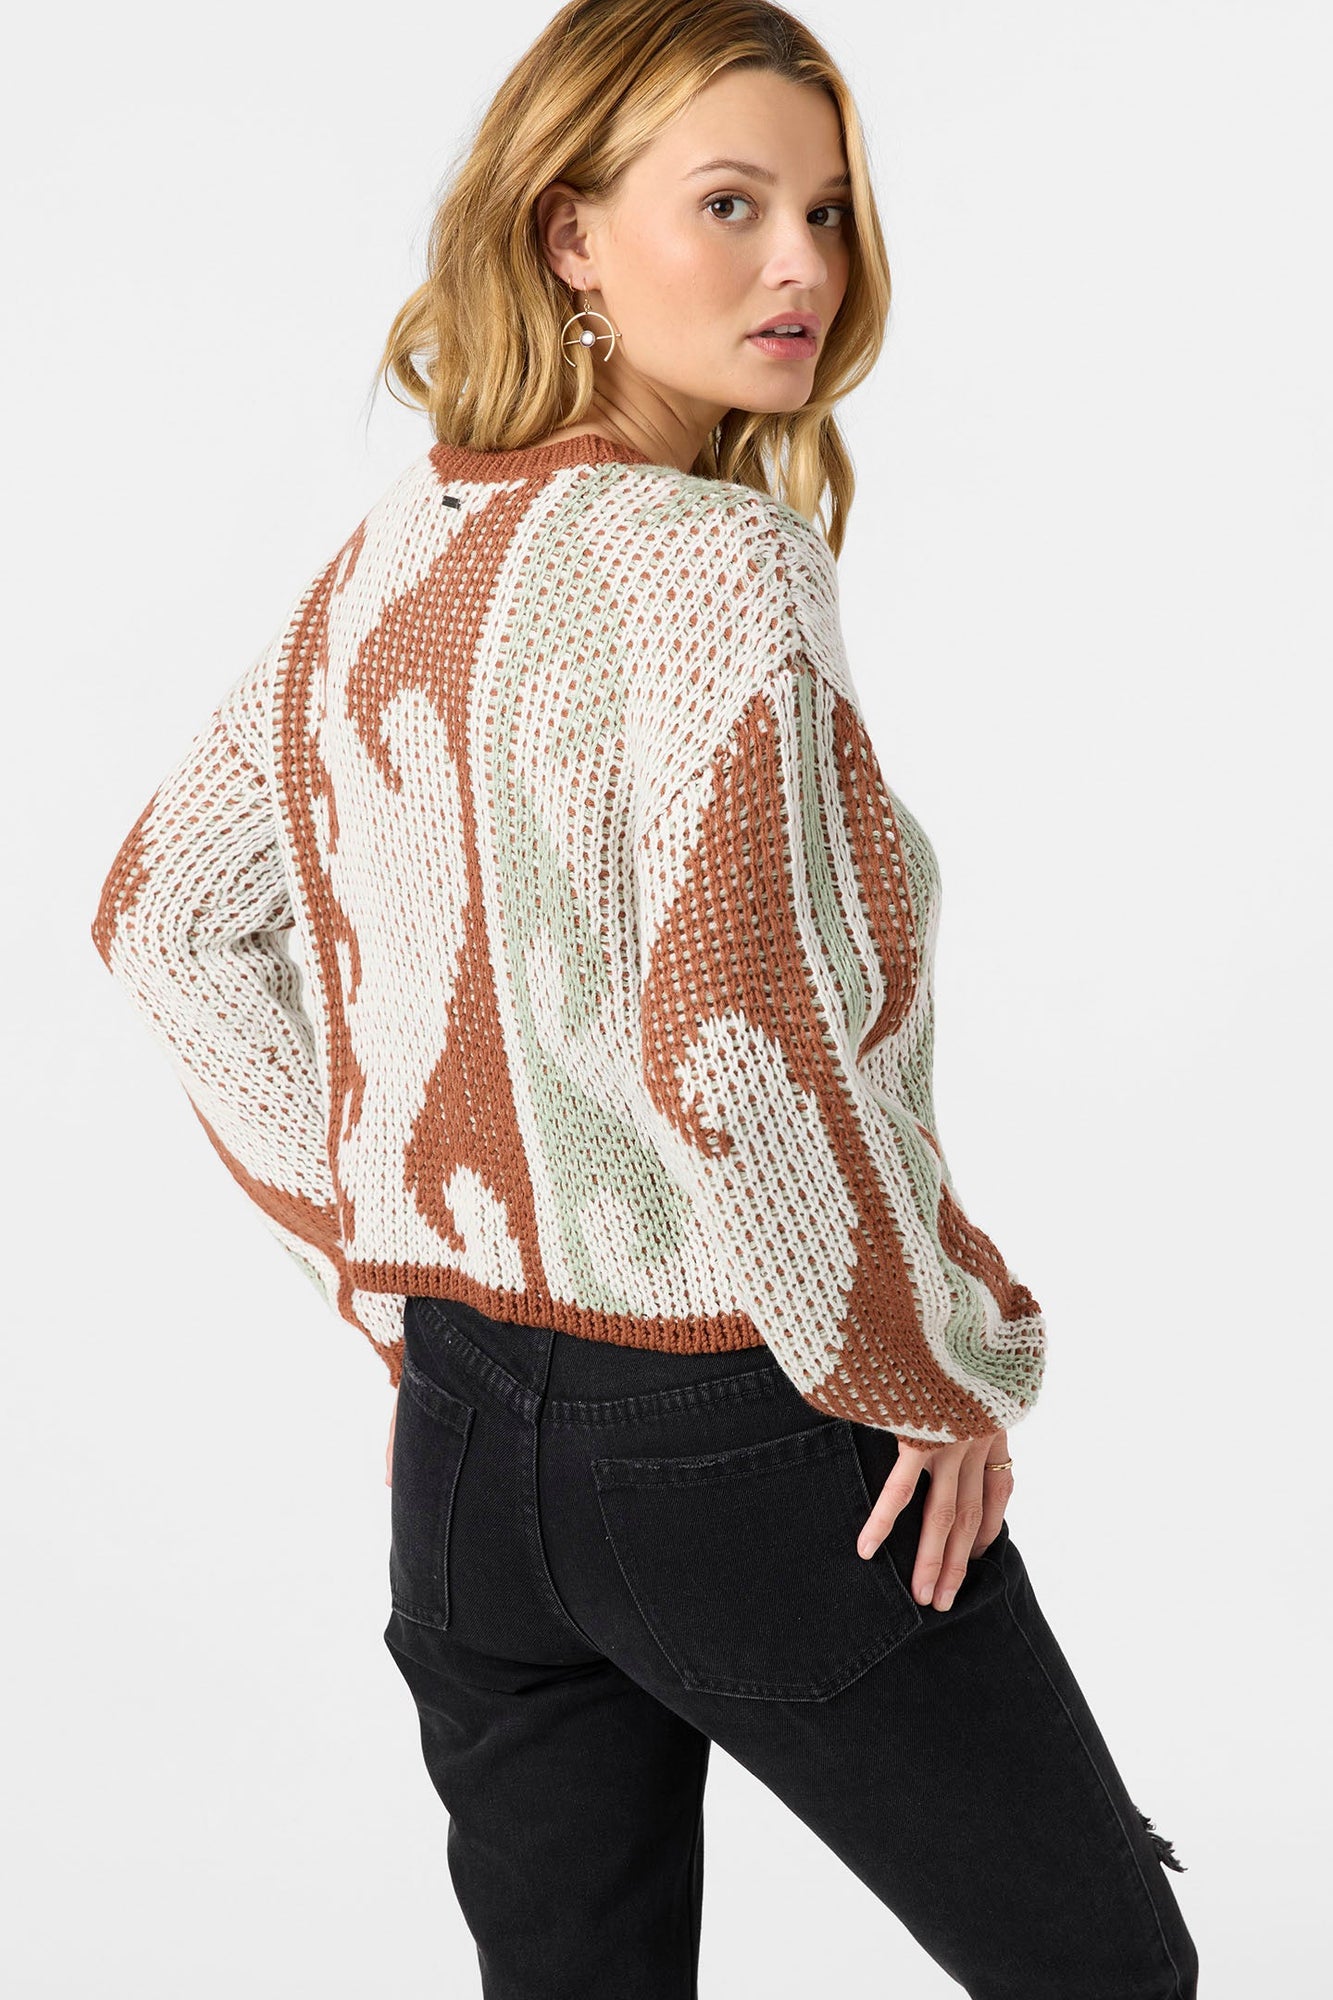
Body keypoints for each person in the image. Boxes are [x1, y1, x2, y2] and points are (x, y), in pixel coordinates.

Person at [90, 2, 1199, 1994]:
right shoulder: (715, 566)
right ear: (569, 234)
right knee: (1105, 1970)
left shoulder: (394, 558)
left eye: (827, 210)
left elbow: (168, 922)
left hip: (462, 1462)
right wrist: (932, 1372)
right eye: (731, 203)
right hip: (725, 1437)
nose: (801, 266)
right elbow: (734, 1038)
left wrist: (401, 1289)